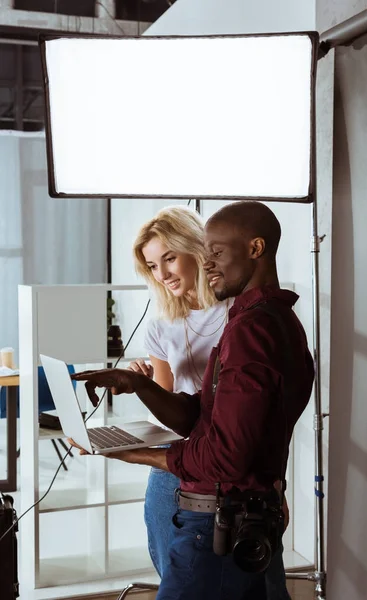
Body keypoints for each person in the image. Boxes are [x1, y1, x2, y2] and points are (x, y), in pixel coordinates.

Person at [70, 201, 314, 600]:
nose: (208, 262)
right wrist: (139, 385)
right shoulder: (263, 318)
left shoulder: (249, 327)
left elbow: (227, 454)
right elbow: (206, 415)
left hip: (218, 507)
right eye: (152, 265)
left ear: (254, 248)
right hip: (218, 496)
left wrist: (133, 455)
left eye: (213, 252)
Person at [129, 205, 231, 578]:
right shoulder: (161, 326)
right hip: (179, 453)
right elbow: (165, 404)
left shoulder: (236, 311)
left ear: (195, 247)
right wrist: (141, 387)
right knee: (167, 559)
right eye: (153, 266)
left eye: (169, 258)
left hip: (226, 455)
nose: (163, 274)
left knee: (233, 571)